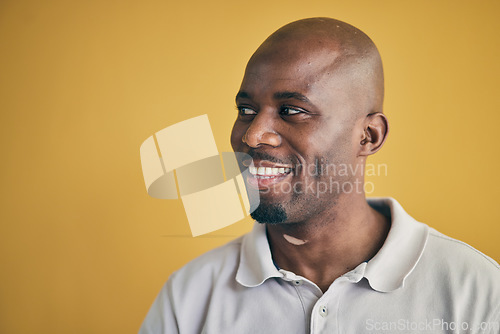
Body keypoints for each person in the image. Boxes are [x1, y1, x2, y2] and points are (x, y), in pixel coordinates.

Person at [139, 17, 500, 334]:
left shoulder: (475, 292)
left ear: (368, 136)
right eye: (246, 110)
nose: (252, 135)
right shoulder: (189, 296)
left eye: (292, 110)